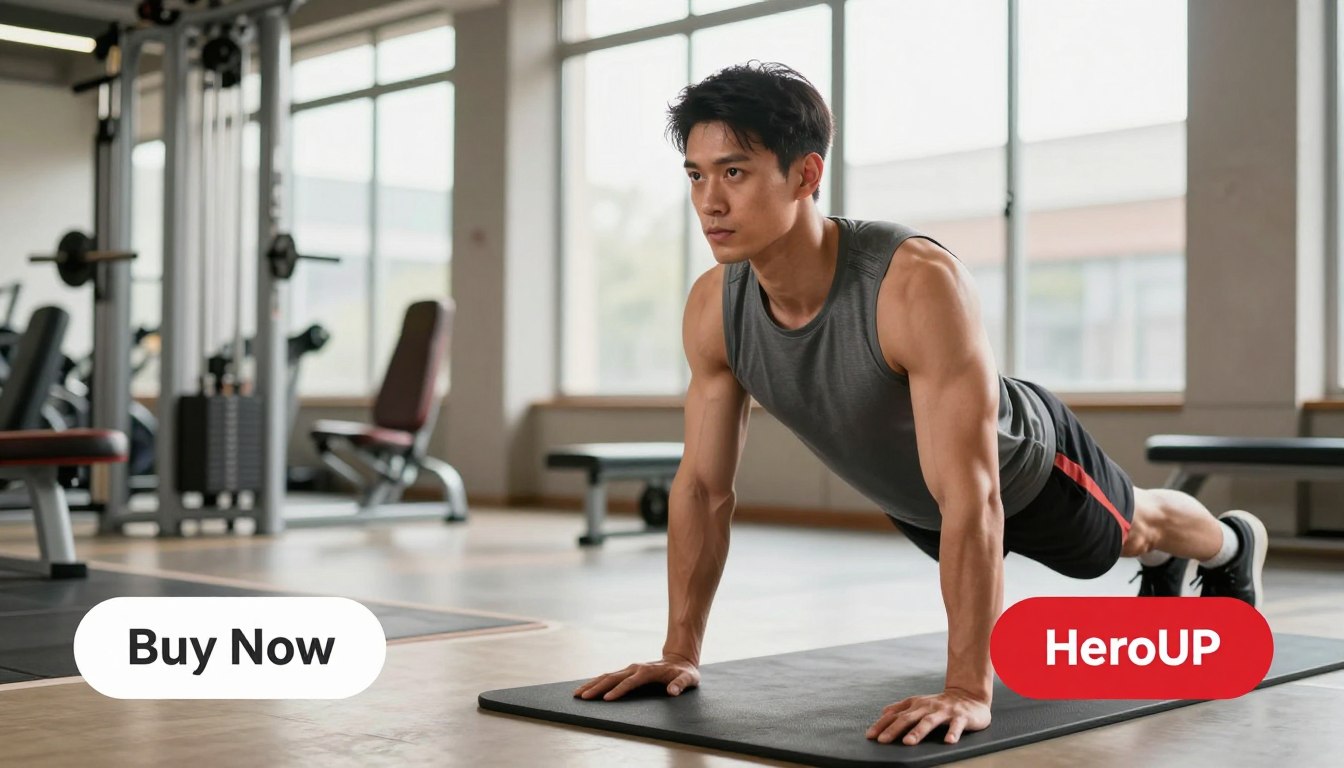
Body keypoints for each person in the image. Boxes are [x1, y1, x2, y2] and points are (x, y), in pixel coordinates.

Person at [573, 61, 1267, 748]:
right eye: (695, 175)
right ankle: (1168, 564)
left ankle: (1233, 543)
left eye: (734, 172)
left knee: (1131, 531)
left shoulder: (912, 283)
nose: (709, 202)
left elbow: (974, 494)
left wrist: (968, 687)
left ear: (806, 175)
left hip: (1027, 469)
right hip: (923, 507)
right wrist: (679, 651)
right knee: (1097, 534)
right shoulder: (714, 309)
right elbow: (701, 487)